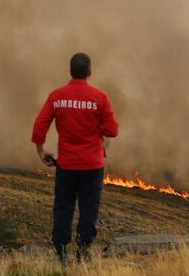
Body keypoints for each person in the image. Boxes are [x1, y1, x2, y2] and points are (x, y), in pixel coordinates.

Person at [31, 52, 119, 262]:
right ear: (89, 72)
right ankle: (83, 251)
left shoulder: (57, 96)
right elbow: (112, 130)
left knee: (63, 206)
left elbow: (40, 124)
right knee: (89, 208)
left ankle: (61, 251)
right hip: (92, 165)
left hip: (67, 165)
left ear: (70, 71)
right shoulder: (100, 98)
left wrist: (40, 150)